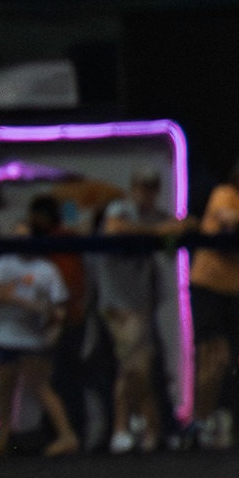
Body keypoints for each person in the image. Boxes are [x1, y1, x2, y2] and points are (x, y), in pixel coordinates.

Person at [0, 196, 80, 459]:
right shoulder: (4, 263)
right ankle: (2, 439)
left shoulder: (45, 269)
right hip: (6, 336)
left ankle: (67, 435)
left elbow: (59, 304)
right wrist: (26, 303)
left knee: (41, 387)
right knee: (5, 390)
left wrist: (52, 324)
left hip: (33, 340)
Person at [182, 152, 239, 450]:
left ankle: (215, 419)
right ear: (238, 178)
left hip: (234, 292)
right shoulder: (225, 193)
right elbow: (224, 222)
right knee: (212, 357)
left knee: (233, 360)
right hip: (207, 285)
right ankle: (199, 421)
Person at [93, 189, 169, 453]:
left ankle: (138, 426)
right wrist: (156, 230)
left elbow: (185, 225)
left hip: (141, 308)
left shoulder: (150, 216)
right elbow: (115, 227)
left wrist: (164, 228)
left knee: (138, 367)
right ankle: (131, 426)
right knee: (133, 367)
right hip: (118, 307)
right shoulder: (121, 214)